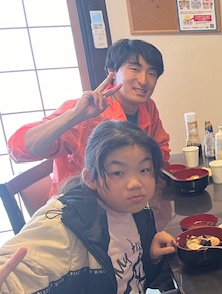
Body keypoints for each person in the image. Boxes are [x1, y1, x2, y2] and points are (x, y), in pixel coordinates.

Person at [0, 121, 217, 294]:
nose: (135, 183)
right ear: (90, 178)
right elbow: (16, 264)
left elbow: (127, 284)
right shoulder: (68, 225)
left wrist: (149, 256)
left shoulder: (131, 209)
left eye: (144, 170)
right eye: (118, 172)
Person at [8, 38, 171, 197]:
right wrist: (74, 116)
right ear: (112, 72)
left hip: (126, 199)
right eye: (135, 69)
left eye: (151, 73)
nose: (143, 80)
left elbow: (161, 148)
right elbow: (18, 149)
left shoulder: (147, 106)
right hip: (81, 204)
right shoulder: (86, 111)